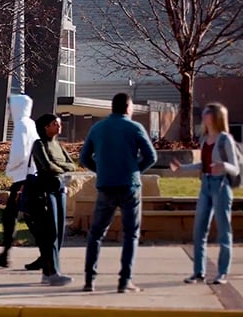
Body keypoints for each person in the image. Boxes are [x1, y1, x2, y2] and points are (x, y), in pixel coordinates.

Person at [80, 93, 157, 293]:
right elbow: (151, 156)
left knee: (96, 233)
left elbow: (84, 158)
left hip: (106, 185)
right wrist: (134, 169)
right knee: (130, 234)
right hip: (129, 186)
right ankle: (125, 281)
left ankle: (90, 280)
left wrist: (101, 170)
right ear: (128, 107)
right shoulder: (134, 128)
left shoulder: (98, 128)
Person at [170, 103, 239, 285]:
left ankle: (222, 273)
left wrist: (223, 166)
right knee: (199, 229)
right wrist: (182, 169)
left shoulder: (225, 140)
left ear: (216, 117)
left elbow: (235, 169)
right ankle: (198, 273)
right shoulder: (204, 139)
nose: (204, 116)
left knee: (224, 231)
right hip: (206, 184)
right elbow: (203, 165)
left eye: (207, 113)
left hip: (221, 185)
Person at [0, 94, 42, 270]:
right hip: (29, 175)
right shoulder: (31, 123)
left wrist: (9, 168)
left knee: (24, 217)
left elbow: (19, 153)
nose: (9, 110)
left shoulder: (21, 125)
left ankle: (46, 255)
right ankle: (6, 255)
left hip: (22, 178)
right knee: (18, 216)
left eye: (11, 106)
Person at [31, 113, 77, 286]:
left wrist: (60, 167)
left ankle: (48, 271)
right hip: (45, 192)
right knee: (50, 232)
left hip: (60, 190)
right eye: (55, 124)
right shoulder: (39, 144)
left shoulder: (58, 145)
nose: (59, 127)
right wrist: (61, 168)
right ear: (45, 127)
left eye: (58, 124)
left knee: (59, 232)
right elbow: (47, 166)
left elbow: (72, 164)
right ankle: (52, 273)